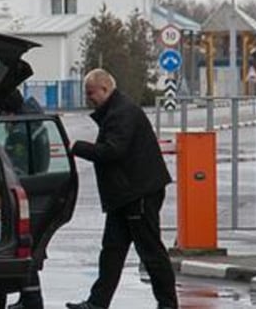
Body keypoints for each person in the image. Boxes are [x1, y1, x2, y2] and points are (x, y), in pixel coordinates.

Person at [66, 69, 176, 309]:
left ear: (105, 89)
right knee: (112, 252)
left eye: (91, 93)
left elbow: (113, 151)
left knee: (150, 251)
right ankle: (97, 303)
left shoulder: (121, 112)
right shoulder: (116, 111)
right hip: (125, 195)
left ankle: (168, 304)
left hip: (139, 193)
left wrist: (76, 147)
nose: (88, 99)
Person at [0, 90, 48, 309]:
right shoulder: (34, 123)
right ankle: (29, 298)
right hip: (35, 189)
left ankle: (32, 300)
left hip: (24, 194)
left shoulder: (20, 132)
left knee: (24, 249)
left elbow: (13, 171)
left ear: (8, 111)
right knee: (29, 249)